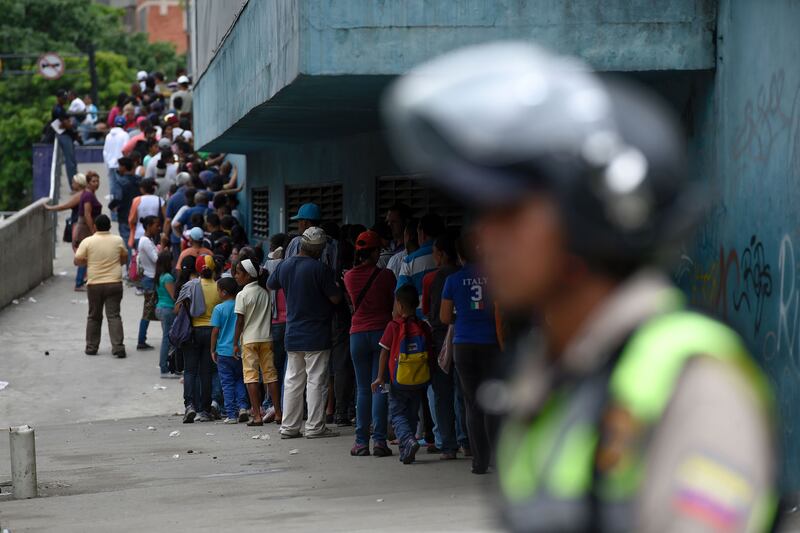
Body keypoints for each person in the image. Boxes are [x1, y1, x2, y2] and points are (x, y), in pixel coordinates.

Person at [383, 42, 777, 531]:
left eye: (509, 213)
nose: (485, 236)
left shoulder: (692, 381)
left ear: (587, 217)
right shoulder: (552, 368)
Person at [268, 227, 342, 439]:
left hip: (293, 333)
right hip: (317, 334)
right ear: (318, 250)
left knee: (292, 381)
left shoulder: (285, 265)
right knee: (316, 381)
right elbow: (336, 298)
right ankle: (315, 427)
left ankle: (290, 427)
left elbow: (271, 284)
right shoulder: (321, 269)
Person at [440, 235, 499, 474]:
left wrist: (463, 318)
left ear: (460, 255)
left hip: (463, 343)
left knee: (472, 404)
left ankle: (479, 462)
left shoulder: (453, 280)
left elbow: (444, 317)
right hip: (489, 342)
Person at [343, 230, 396, 457]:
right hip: (382, 336)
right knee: (380, 387)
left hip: (357, 335)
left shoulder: (348, 277)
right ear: (374, 252)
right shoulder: (387, 276)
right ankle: (380, 442)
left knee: (363, 390)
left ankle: (361, 442)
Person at [371, 284, 434, 464]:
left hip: (399, 380)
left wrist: (380, 376)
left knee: (397, 413)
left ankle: (407, 439)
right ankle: (406, 449)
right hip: (419, 379)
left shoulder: (393, 326)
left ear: (399, 305)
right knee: (413, 414)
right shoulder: (423, 326)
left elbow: (384, 352)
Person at [422, 232, 469, 460]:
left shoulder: (432, 279)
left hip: (440, 339)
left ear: (441, 254)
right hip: (463, 335)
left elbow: (432, 313)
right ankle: (466, 441)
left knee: (441, 393)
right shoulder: (465, 275)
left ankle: (447, 445)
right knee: (462, 392)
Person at [233, 258, 281, 426]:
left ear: (247, 276)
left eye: (238, 273)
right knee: (271, 376)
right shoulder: (264, 292)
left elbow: (240, 322)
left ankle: (257, 416)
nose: (236, 276)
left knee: (251, 377)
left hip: (249, 341)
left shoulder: (242, 294)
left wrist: (234, 343)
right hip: (266, 338)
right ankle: (278, 413)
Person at [74, 214, 128, 357]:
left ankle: (92, 347)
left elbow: (77, 260)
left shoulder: (88, 242)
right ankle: (118, 347)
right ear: (110, 226)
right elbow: (124, 258)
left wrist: (89, 263)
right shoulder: (118, 240)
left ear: (95, 227)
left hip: (95, 284)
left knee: (94, 316)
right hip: (114, 283)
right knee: (114, 316)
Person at [176, 254, 221, 423]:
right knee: (206, 373)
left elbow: (177, 309)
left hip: (193, 332)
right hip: (212, 333)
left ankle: (189, 406)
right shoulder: (218, 287)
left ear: (197, 269)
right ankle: (204, 410)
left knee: (190, 371)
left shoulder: (189, 286)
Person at [211, 276, 250, 424]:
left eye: (218, 290)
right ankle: (243, 408)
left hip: (223, 352)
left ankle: (231, 414)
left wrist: (212, 349)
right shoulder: (240, 305)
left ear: (224, 292)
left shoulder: (219, 308)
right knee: (240, 379)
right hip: (240, 350)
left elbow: (215, 331)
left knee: (227, 383)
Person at [45, 172, 89, 291]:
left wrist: (50, 208)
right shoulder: (85, 194)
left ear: (78, 184)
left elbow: (65, 206)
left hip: (78, 225)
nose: (71, 184)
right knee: (83, 254)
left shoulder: (80, 195)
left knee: (80, 254)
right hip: (81, 225)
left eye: (73, 182)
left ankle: (80, 282)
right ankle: (83, 279)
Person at [283, 203, 338, 271]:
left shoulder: (297, 242)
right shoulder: (333, 243)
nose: (298, 225)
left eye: (299, 221)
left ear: (305, 222)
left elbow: (287, 269)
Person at [136, 216, 161, 351]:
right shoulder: (145, 241)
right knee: (148, 311)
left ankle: (142, 339)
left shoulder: (147, 240)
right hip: (150, 279)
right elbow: (157, 259)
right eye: (156, 225)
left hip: (150, 278)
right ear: (149, 226)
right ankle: (141, 340)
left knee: (149, 309)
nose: (158, 228)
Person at [154, 250, 179, 378]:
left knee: (166, 338)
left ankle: (166, 365)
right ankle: (164, 368)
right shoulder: (168, 277)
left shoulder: (159, 275)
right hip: (168, 309)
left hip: (160, 308)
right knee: (166, 340)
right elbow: (173, 295)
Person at [127, 178, 165, 251]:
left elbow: (132, 220)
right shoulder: (160, 200)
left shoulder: (137, 200)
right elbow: (166, 217)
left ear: (142, 189)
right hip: (155, 234)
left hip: (139, 234)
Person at [51, 89, 78, 186]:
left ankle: (76, 183)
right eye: (63, 98)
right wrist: (70, 123)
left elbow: (68, 123)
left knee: (73, 161)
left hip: (67, 135)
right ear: (58, 98)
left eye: (66, 97)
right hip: (64, 136)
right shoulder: (58, 109)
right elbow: (68, 125)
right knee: (70, 162)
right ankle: (73, 185)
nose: (65, 99)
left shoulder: (62, 108)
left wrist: (69, 123)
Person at [103, 115, 128, 203]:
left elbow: (105, 152)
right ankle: (119, 215)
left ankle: (113, 216)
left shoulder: (108, 136)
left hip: (110, 165)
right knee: (121, 191)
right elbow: (126, 151)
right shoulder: (125, 135)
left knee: (113, 190)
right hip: (121, 166)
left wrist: (107, 165)